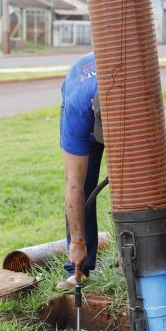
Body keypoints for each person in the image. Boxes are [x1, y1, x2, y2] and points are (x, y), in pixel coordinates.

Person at [56, 52, 105, 290]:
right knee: (84, 186)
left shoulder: (134, 93)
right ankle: (78, 268)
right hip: (82, 112)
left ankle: (139, 262)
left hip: (126, 112)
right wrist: (77, 240)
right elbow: (73, 183)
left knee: (133, 183)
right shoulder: (77, 109)